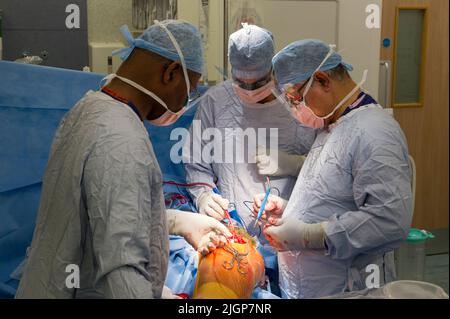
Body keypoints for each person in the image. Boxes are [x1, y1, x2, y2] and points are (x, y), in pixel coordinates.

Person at [15, 20, 231, 299]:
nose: (182, 105)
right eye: (188, 93)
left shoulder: (89, 108)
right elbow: (123, 274)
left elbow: (99, 214)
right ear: (170, 72)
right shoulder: (123, 142)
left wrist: (175, 221)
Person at [253, 39, 413, 298]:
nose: (295, 109)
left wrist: (309, 234)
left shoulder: (374, 131)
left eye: (295, 98)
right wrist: (287, 209)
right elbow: (334, 196)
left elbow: (389, 221)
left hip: (346, 288)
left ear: (323, 80)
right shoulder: (334, 125)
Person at [183, 24, 316, 294]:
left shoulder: (297, 104)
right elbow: (196, 164)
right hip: (231, 239)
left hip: (291, 237)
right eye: (241, 83)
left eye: (258, 82)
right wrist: (204, 197)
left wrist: (291, 162)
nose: (250, 90)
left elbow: (325, 169)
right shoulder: (215, 102)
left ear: (273, 68)